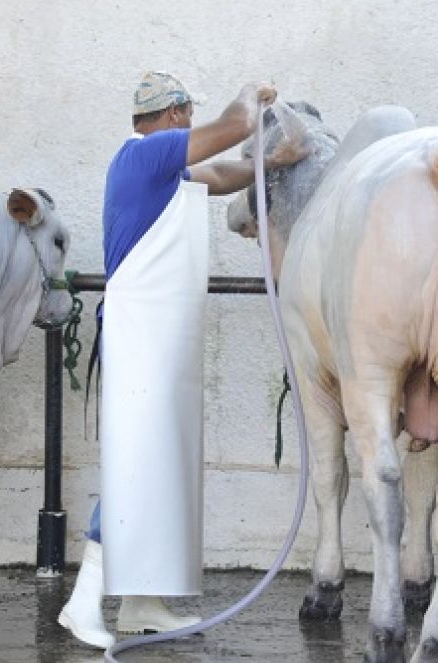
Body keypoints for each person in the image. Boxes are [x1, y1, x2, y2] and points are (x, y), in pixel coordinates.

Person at [57, 71, 308, 649]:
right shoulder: (143, 153)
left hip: (160, 337)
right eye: (188, 113)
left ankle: (142, 604)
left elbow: (218, 176)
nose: (191, 123)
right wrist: (252, 93)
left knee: (161, 464)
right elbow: (235, 127)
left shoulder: (162, 172)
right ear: (173, 114)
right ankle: (82, 601)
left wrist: (273, 163)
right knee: (135, 463)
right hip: (139, 334)